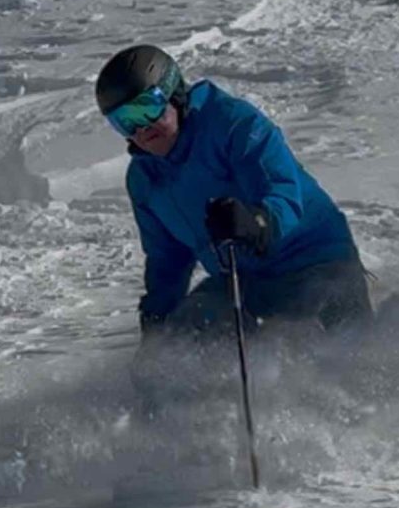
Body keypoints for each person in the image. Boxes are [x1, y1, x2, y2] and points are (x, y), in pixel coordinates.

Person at [95, 44, 373, 344]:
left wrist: (256, 222)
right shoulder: (144, 179)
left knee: (330, 339)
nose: (141, 128)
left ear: (173, 93)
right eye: (124, 121)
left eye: (146, 108)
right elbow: (167, 258)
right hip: (247, 284)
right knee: (187, 329)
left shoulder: (232, 123)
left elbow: (282, 191)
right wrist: (157, 323)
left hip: (315, 262)